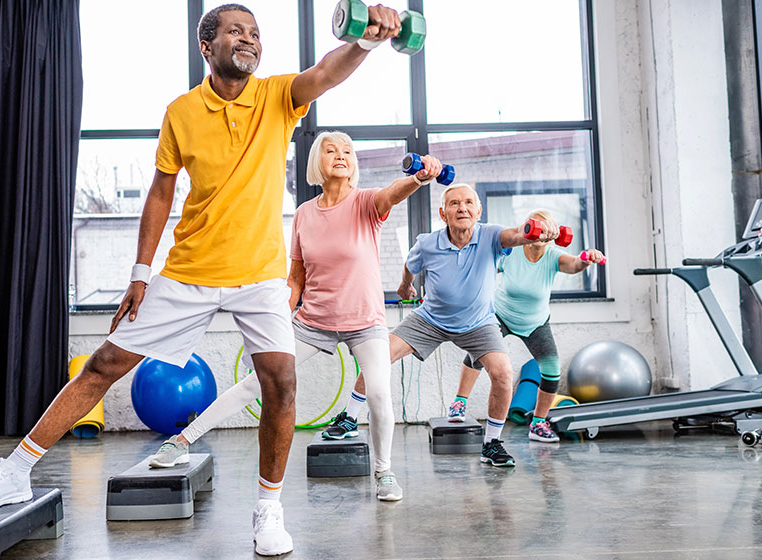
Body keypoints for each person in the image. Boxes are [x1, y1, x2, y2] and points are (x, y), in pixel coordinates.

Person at [0, 4, 404, 556]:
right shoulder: (181, 111)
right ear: (206, 47)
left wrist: (367, 43)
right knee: (105, 365)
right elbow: (161, 192)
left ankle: (267, 510)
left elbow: (327, 71)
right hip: (189, 269)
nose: (249, 40)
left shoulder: (279, 97)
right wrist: (141, 273)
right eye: (236, 31)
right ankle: (14, 469)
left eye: (256, 33)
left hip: (260, 275)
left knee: (281, 384)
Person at [148, 131, 443, 503]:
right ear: (316, 163)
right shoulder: (304, 214)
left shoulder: (367, 203)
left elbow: (391, 194)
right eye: (331, 150)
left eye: (348, 151)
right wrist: (275, 321)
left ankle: (384, 471)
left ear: (354, 163)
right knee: (256, 384)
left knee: (380, 395)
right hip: (313, 321)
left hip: (365, 322)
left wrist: (417, 179)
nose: (341, 155)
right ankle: (182, 441)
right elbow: (296, 278)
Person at [327, 184, 559, 468]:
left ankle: (491, 444)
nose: (462, 208)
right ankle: (350, 417)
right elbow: (410, 267)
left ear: (479, 210)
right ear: (442, 213)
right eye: (454, 203)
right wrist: (405, 287)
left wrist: (537, 228)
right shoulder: (427, 242)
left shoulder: (491, 235)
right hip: (430, 319)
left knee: (503, 372)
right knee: (378, 356)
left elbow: (517, 234)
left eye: (468, 203)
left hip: (479, 323)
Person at [451, 209, 606, 443]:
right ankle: (459, 403)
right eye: (537, 228)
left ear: (553, 233)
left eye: (547, 230)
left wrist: (586, 259)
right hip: (501, 315)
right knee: (476, 355)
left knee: (551, 368)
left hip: (535, 322)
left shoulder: (554, 256)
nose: (541, 234)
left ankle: (538, 424)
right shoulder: (511, 252)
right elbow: (485, 269)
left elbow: (574, 265)